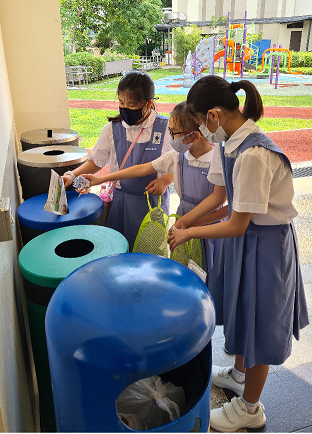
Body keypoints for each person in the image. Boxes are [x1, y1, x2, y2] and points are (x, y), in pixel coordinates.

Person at [167, 75, 309, 432]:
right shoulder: (231, 142)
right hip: (247, 240)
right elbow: (222, 200)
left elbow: (236, 224)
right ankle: (240, 374)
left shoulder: (253, 155)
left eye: (199, 122)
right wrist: (184, 221)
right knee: (244, 312)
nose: (199, 130)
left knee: (260, 324)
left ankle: (250, 408)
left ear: (213, 115)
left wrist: (189, 233)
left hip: (265, 246)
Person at [79, 101, 228, 276]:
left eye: (175, 133)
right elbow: (141, 168)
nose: (171, 138)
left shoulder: (219, 162)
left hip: (209, 230)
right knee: (185, 272)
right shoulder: (177, 157)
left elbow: (226, 208)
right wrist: (101, 179)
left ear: (196, 136)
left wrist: (193, 224)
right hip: (182, 226)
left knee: (210, 273)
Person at [62, 71, 173, 250]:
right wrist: (71, 175)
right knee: (120, 250)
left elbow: (180, 162)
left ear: (149, 103)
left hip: (153, 204)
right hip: (121, 202)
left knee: (151, 253)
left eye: (131, 104)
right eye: (121, 103)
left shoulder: (166, 128)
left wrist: (166, 181)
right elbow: (96, 161)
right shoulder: (111, 129)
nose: (125, 108)